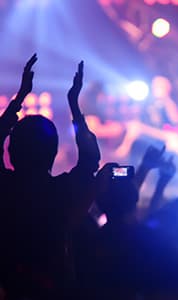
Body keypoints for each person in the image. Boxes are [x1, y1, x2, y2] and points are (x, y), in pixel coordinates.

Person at [0, 55, 100, 299]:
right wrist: (74, 105)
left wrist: (19, 98)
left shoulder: (4, 188)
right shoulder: (62, 191)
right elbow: (89, 159)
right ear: (54, 153)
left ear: (10, 152)